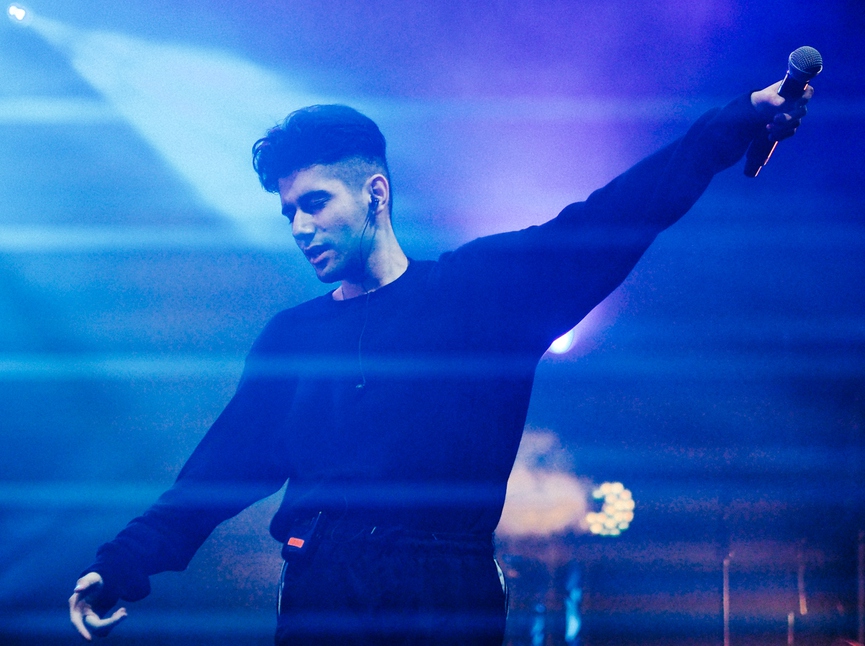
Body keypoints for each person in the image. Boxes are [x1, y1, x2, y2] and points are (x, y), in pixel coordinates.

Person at [69, 80, 813, 644]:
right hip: (321, 591)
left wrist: (734, 121)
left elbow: (614, 215)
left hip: (444, 594)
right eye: (288, 209)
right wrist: (121, 563)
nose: (298, 225)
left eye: (315, 202)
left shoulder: (479, 294)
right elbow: (217, 472)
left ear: (375, 193)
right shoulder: (292, 338)